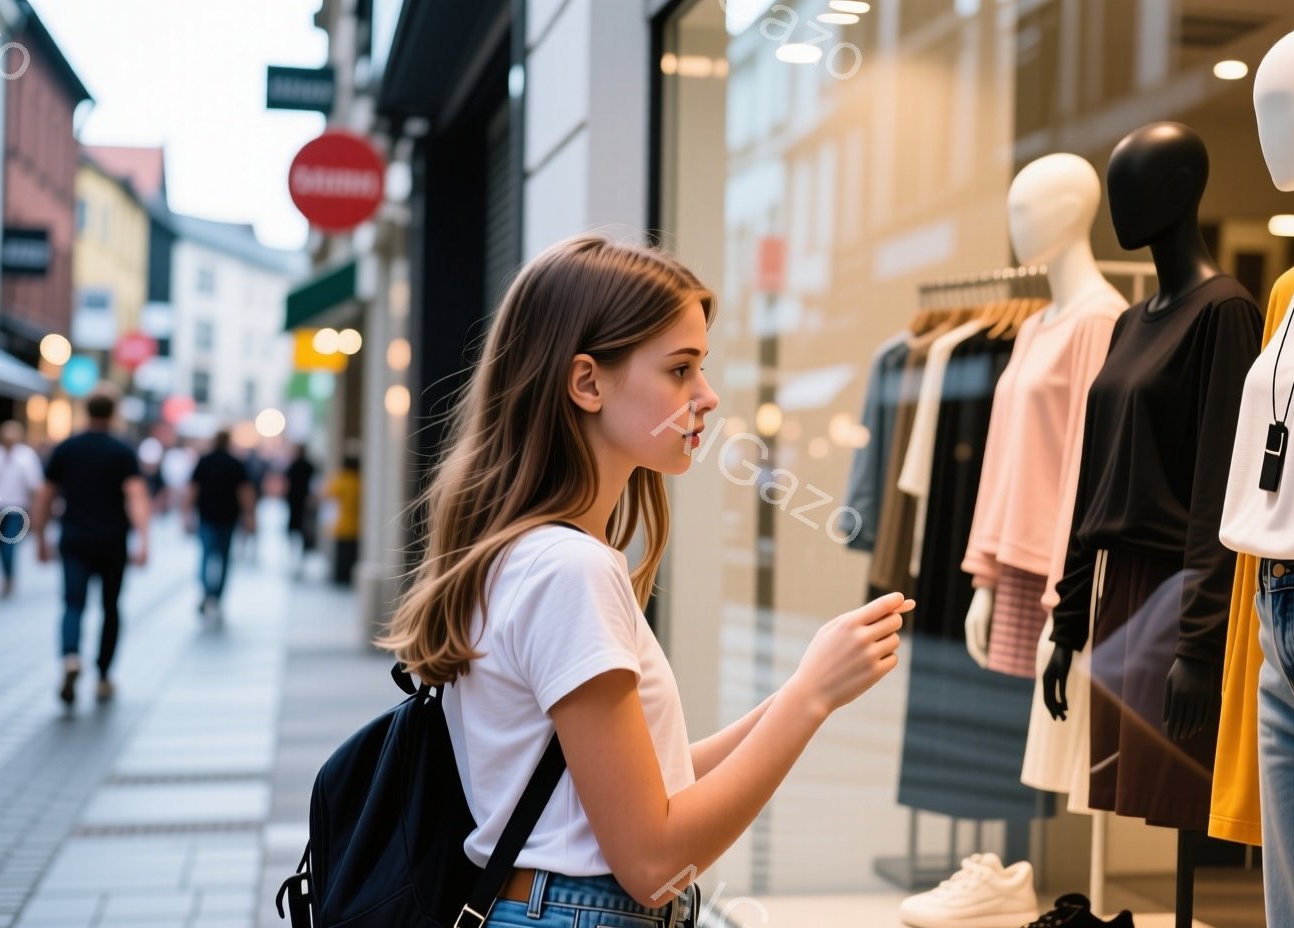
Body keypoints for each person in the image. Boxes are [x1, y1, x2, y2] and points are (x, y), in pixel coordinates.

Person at [378, 236, 914, 927]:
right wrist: (809, 698)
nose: (708, 396)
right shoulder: (572, 569)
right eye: (681, 369)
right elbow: (653, 863)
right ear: (587, 382)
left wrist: (809, 688)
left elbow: (640, 784)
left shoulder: (527, 554)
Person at [32, 393, 149, 707]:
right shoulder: (122, 451)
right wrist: (144, 539)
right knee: (111, 607)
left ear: (86, 411)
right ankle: (103, 676)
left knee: (73, 603)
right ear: (113, 413)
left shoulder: (67, 448)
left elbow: (45, 495)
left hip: (74, 539)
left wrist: (40, 538)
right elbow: (136, 496)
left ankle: (71, 656)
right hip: (112, 542)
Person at [187, 429, 256, 621]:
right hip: (228, 518)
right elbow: (245, 492)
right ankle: (216, 595)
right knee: (224, 558)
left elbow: (192, 489)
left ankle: (208, 592)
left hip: (207, 516)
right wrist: (250, 516)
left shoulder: (204, 461)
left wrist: (186, 514)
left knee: (206, 556)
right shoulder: (235, 463)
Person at [0, 421, 45, 596]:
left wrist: (36, 510)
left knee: (9, 542)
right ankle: (6, 575)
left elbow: (35, 484)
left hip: (16, 508)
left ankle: (9, 577)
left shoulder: (26, 456)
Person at [325, 451, 360, 585]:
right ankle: (348, 578)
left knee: (341, 555)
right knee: (351, 554)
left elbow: (327, 493)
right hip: (357, 525)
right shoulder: (360, 481)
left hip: (342, 524)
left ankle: (340, 577)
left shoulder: (341, 480)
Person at [284, 445, 317, 568]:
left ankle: (293, 548)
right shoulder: (309, 466)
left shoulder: (293, 466)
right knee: (302, 525)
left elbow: (286, 482)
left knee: (294, 523)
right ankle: (301, 550)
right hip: (304, 498)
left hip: (294, 498)